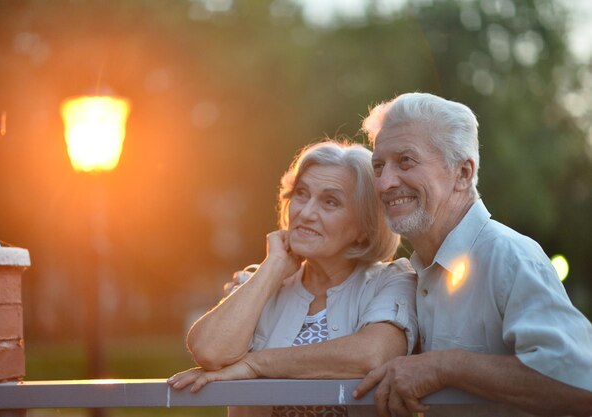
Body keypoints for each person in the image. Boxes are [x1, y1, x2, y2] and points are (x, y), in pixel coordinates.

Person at [352, 92, 592, 417]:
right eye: (378, 166)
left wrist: (444, 367)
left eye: (406, 161)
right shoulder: (411, 272)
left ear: (463, 173)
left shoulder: (509, 256)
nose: (385, 183)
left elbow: (582, 386)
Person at [168, 140, 418, 417]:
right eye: (301, 194)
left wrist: (256, 365)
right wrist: (273, 265)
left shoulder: (392, 280)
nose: (306, 213)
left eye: (330, 202)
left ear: (364, 226)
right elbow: (209, 350)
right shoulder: (258, 281)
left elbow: (372, 354)